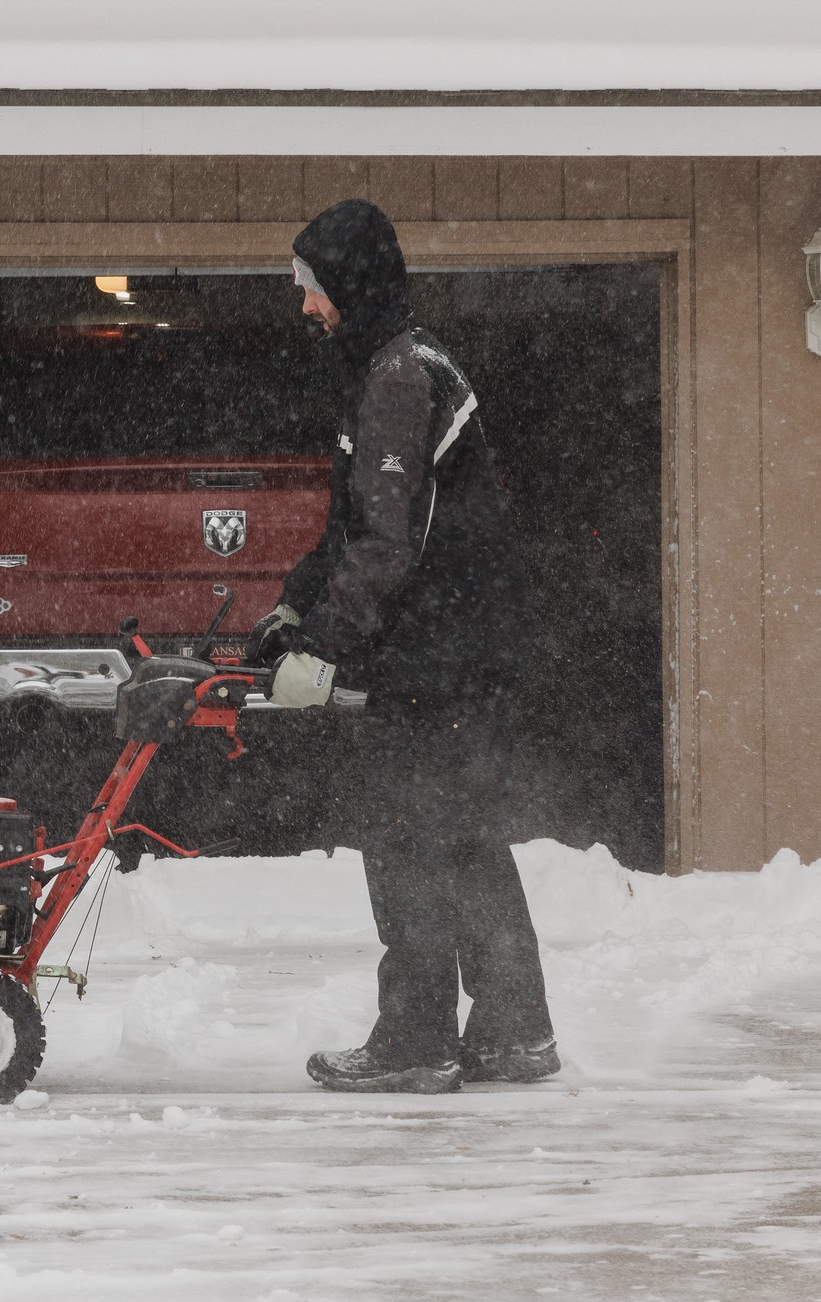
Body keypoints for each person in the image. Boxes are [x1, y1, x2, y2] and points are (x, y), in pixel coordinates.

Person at [243, 198, 559, 1094]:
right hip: (455, 649)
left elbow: (390, 544)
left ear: (353, 285)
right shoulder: (394, 369)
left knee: (409, 837)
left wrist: (328, 645)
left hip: (441, 655)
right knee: (460, 836)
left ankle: (418, 1037)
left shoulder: (398, 378)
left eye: (314, 289)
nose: (306, 307)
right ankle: (513, 1030)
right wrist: (292, 609)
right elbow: (350, 529)